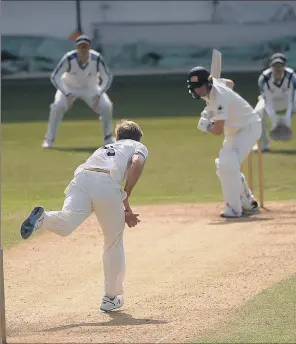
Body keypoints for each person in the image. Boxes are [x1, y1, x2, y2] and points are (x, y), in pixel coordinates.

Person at [21, 120, 148, 312]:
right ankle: (111, 297)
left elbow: (99, 187)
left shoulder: (105, 147)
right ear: (138, 137)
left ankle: (43, 218)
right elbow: (136, 163)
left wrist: (123, 206)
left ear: (118, 137)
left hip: (81, 179)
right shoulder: (138, 146)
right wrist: (126, 195)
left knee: (66, 222)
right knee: (113, 242)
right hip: (106, 183)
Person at [187, 66, 262, 218]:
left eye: (198, 86)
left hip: (248, 127)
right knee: (224, 166)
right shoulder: (213, 85)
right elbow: (230, 83)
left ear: (207, 84)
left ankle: (234, 209)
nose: (196, 90)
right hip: (234, 131)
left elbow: (217, 130)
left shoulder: (219, 97)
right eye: (193, 87)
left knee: (227, 163)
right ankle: (249, 203)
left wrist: (206, 125)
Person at [42, 34, 115, 149]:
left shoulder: (97, 58)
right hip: (69, 87)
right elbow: (55, 76)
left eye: (85, 47)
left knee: (106, 106)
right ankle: (49, 139)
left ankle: (108, 138)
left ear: (89, 48)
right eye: (81, 47)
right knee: (57, 107)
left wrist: (98, 93)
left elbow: (107, 77)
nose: (83, 50)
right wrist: (67, 93)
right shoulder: (69, 58)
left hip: (90, 88)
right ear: (77, 48)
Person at [253, 53, 296, 152]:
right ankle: (262, 145)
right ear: (271, 66)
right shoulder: (263, 79)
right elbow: (268, 102)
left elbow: (291, 101)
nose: (278, 69)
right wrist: (275, 121)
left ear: (285, 66)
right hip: (270, 101)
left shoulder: (292, 77)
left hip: (288, 100)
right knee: (257, 113)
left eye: (280, 66)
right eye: (275, 66)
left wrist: (287, 121)